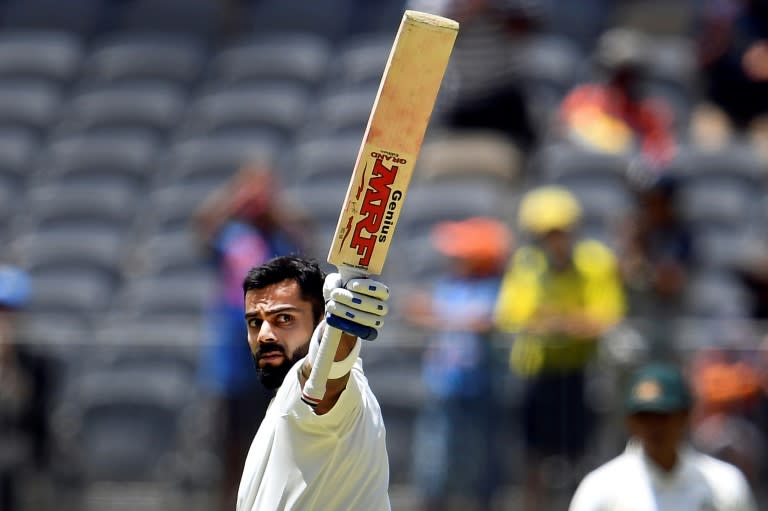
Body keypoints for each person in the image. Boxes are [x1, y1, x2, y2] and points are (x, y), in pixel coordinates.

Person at [494, 185, 625, 510]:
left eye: (560, 232)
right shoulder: (526, 264)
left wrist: (556, 321)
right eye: (546, 234)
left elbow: (607, 316)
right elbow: (511, 316)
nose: (554, 241)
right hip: (536, 374)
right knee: (532, 458)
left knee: (581, 457)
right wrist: (569, 321)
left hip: (580, 374)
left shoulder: (595, 262)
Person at [193, 163, 310, 510]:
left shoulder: (280, 240)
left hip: (273, 352)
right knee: (231, 441)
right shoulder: (233, 238)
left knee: (274, 433)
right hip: (233, 353)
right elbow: (201, 229)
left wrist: (276, 208)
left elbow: (306, 239)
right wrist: (234, 198)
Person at [236, 255, 391, 510]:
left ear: (321, 320)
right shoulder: (281, 403)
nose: (264, 335)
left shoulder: (341, 396)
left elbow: (325, 372)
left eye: (284, 319)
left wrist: (339, 328)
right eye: (255, 322)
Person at [405, 217, 512, 511]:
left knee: (481, 463)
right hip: (444, 386)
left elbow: (487, 322)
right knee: (435, 460)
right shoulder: (450, 284)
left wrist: (439, 316)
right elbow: (424, 312)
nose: (453, 258)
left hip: (482, 390)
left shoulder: (497, 288)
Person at [569, 362, 758, 511]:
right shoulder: (601, 488)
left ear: (685, 416)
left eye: (663, 416)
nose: (654, 427)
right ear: (630, 421)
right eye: (644, 416)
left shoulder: (724, 484)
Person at [558, 27, 677, 168]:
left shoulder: (650, 114)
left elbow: (661, 158)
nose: (625, 82)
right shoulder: (581, 102)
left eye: (632, 75)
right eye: (620, 74)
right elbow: (566, 146)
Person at [617, 173, 695, 354]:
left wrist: (644, 267)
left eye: (655, 201)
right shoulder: (636, 232)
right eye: (646, 201)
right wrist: (633, 245)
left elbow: (671, 284)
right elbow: (621, 273)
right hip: (637, 322)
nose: (649, 207)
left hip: (672, 324)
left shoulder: (682, 236)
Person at [0, 266, 49, 511]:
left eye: (9, 313)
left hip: (18, 463)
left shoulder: (36, 364)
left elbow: (36, 421)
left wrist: (9, 365)